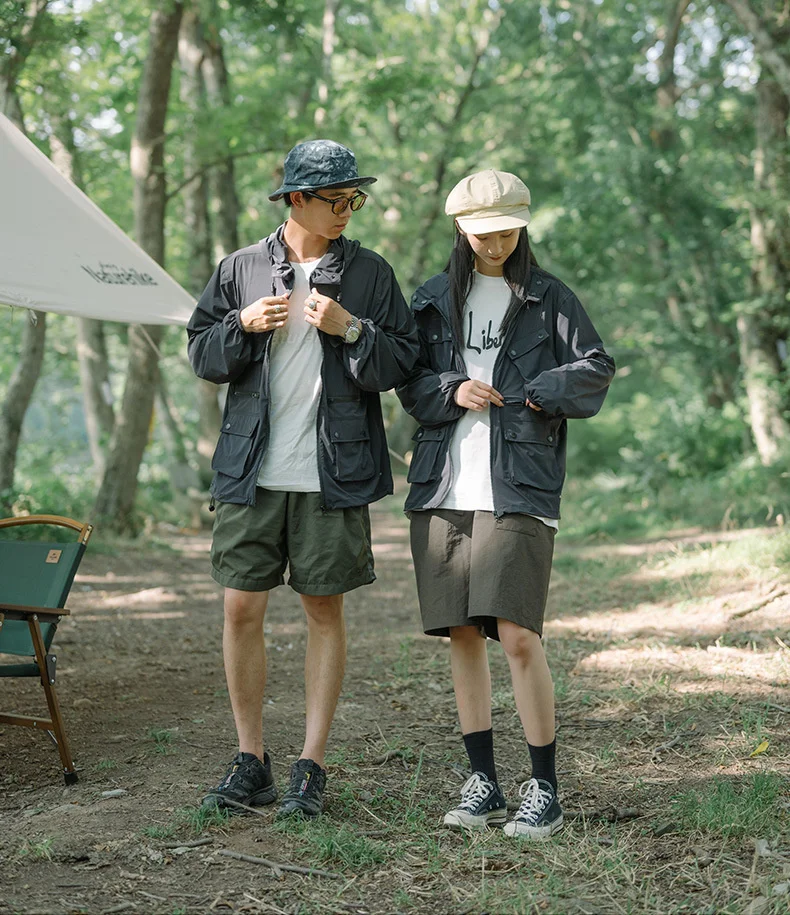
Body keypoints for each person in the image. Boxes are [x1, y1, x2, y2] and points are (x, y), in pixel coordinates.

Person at [187, 139, 419, 819]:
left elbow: (402, 362)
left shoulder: (370, 273)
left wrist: (354, 331)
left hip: (332, 471)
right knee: (240, 609)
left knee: (323, 611)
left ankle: (310, 764)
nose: (347, 209)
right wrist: (240, 324)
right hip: (250, 470)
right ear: (296, 199)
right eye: (335, 199)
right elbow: (202, 353)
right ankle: (250, 758)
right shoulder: (240, 268)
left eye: (354, 198)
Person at [396, 169, 615, 838]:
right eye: (483, 233)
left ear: (522, 227)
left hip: (520, 482)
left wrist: (541, 390)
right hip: (443, 484)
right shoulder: (431, 298)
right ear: (461, 229)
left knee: (517, 634)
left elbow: (596, 367)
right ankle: (483, 782)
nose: (495, 244)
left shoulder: (550, 297)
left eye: (507, 232)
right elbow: (408, 379)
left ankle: (544, 787)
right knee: (462, 634)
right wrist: (451, 390)